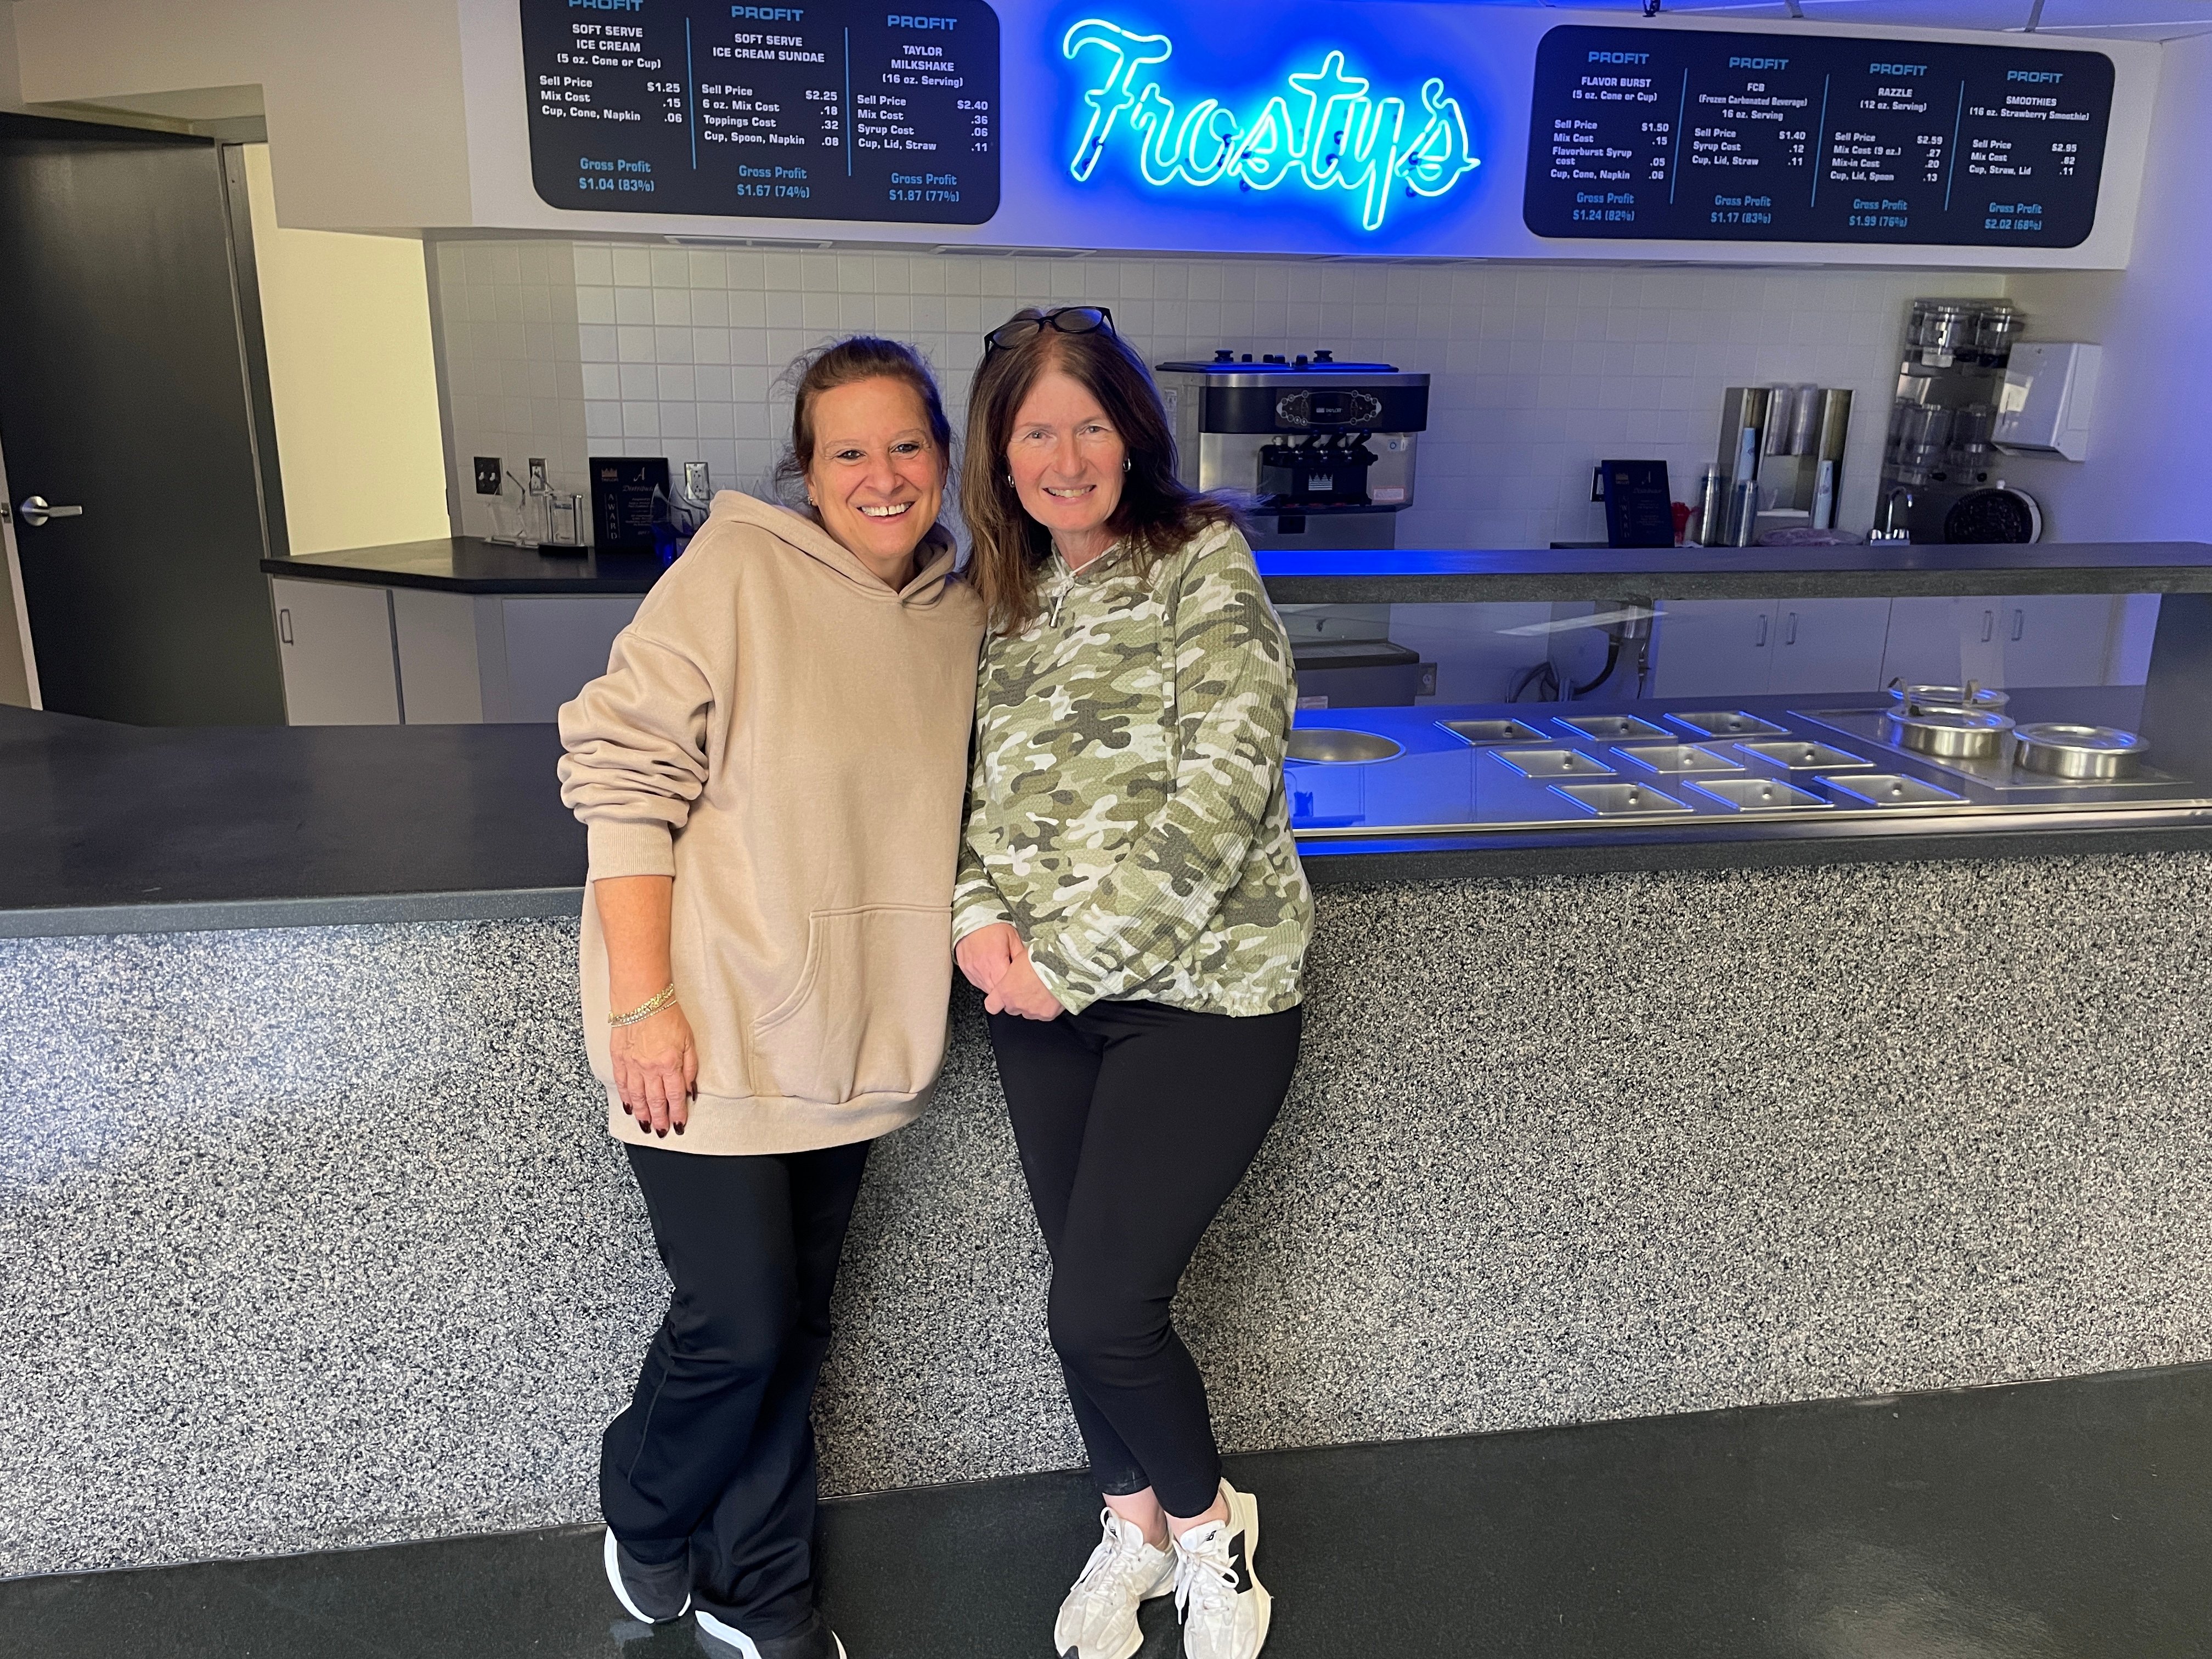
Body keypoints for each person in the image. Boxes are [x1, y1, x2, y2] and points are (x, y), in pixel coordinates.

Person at [556, 336, 983, 1659]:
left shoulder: (962, 618)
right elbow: (621, 772)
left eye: (907, 444)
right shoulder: (734, 572)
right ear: (806, 471)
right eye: (847, 450)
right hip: (708, 1025)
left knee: (794, 1328)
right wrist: (643, 1007)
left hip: (853, 1032)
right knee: (736, 1323)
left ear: (945, 461)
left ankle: (761, 1593)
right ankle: (644, 1495)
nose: (882, 474)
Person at [952, 306, 1313, 1659]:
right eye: (1034, 428)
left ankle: (1216, 1534)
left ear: (1132, 434)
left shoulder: (1200, 560)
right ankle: (1136, 1528)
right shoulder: (995, 597)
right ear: (999, 451)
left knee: (1101, 1308)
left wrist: (1068, 963)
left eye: (1088, 423)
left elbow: (1225, 788)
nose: (1063, 453)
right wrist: (977, 925)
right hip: (1037, 1003)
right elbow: (951, 795)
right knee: (1081, 1294)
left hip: (1208, 999)